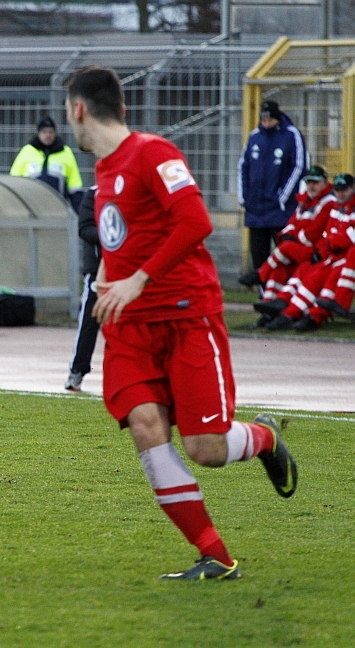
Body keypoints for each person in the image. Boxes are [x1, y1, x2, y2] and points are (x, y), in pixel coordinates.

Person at [66, 65, 297, 580]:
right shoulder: (103, 171)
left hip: (186, 318)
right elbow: (118, 239)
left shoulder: (154, 153)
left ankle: (263, 439)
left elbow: (196, 222)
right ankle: (215, 554)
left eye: (69, 112)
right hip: (130, 327)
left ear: (78, 110)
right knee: (146, 428)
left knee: (206, 448)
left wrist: (139, 280)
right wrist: (108, 278)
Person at [263, 173, 355, 331]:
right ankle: (288, 312)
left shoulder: (342, 207)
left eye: (344, 190)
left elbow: (347, 237)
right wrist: (325, 248)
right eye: (338, 189)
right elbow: (329, 234)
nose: (340, 193)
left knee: (327, 274)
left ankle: (314, 316)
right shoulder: (336, 207)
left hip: (344, 257)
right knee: (309, 273)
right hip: (331, 255)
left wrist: (327, 246)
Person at [251, 166, 336, 326]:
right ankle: (269, 309)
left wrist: (293, 237)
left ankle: (260, 275)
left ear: (325, 183)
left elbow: (313, 233)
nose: (311, 186)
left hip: (315, 252)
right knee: (279, 269)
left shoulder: (328, 202)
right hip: (305, 249)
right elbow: (291, 223)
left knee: (287, 249)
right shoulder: (305, 201)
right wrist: (289, 234)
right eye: (309, 182)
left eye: (315, 183)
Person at [237, 100, 308, 285]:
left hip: (280, 210)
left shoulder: (291, 135)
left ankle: (287, 298)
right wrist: (244, 197)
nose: (266, 122)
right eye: (263, 119)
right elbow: (243, 166)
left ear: (276, 118)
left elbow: (299, 166)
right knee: (259, 259)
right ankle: (264, 298)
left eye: (269, 119)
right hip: (256, 209)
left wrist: (282, 197)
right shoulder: (254, 137)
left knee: (284, 256)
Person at [65, 186, 101, 392]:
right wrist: (112, 234)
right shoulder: (94, 194)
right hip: (97, 270)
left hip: (129, 270)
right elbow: (85, 228)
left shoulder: (131, 190)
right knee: (89, 321)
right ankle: (77, 371)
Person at [9, 115, 83, 208]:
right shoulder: (27, 151)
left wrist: (79, 209)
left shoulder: (65, 152)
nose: (47, 135)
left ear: (55, 133)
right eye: (44, 132)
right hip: (32, 207)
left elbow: (74, 184)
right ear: (38, 133)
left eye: (50, 132)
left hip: (59, 206)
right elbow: (14, 180)